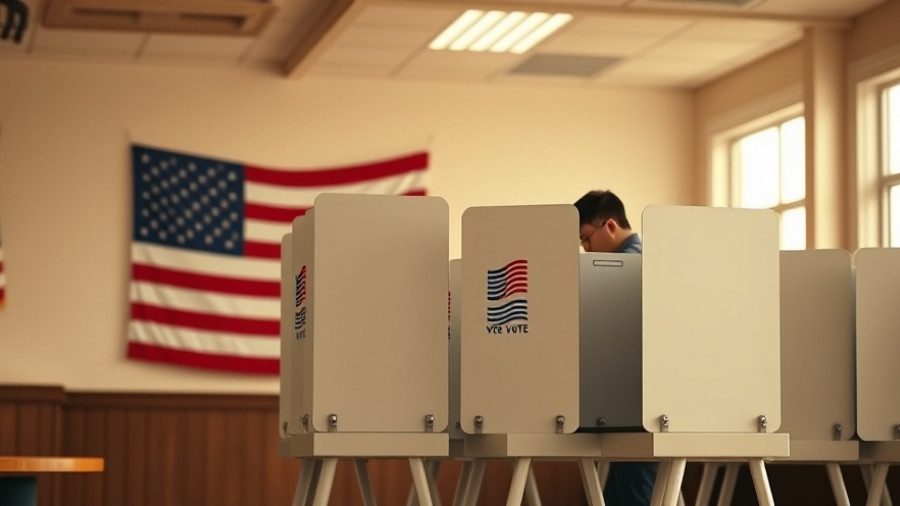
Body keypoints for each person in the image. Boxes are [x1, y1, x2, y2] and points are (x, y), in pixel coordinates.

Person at [574, 189, 657, 506]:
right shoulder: (639, 262)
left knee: (633, 494)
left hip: (633, 402)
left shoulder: (628, 267)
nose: (586, 249)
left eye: (586, 238)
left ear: (609, 225)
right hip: (634, 401)